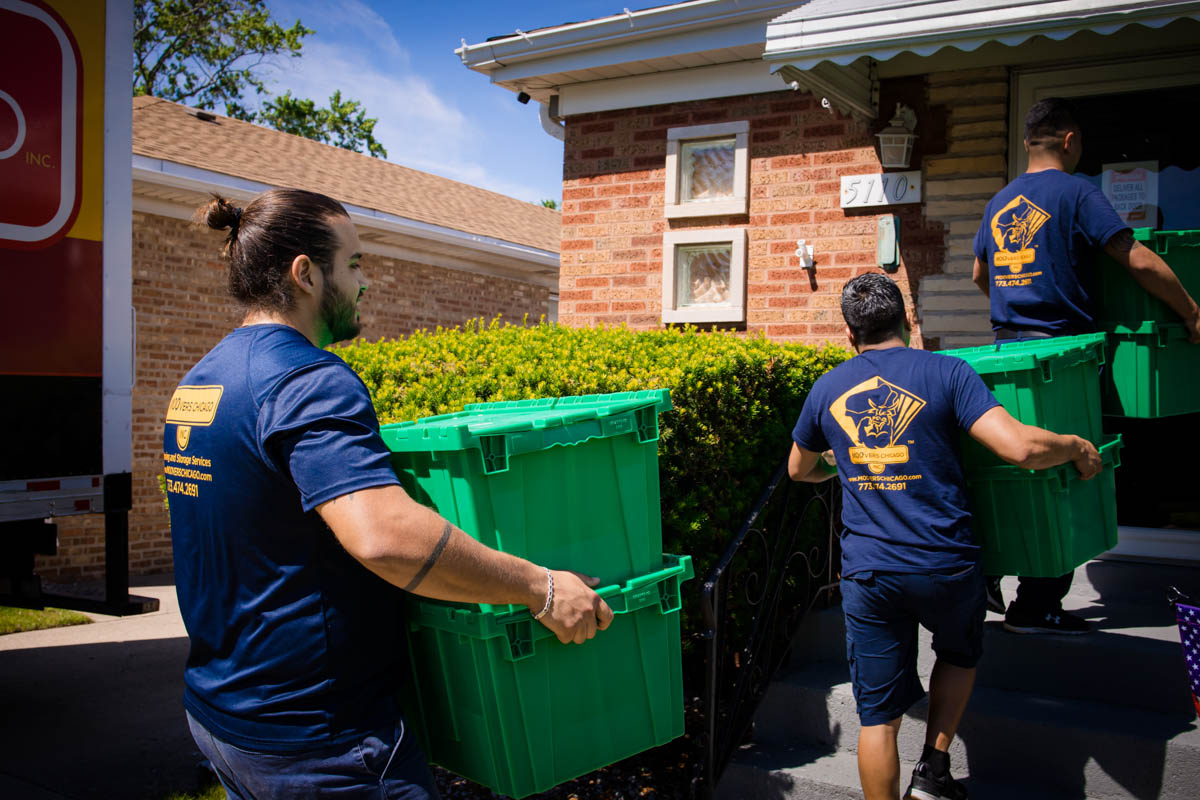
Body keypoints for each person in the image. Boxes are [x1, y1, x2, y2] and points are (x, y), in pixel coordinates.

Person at [164, 188, 614, 800]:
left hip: (224, 716)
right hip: (321, 742)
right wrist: (541, 586)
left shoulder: (200, 383)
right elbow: (384, 537)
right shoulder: (309, 381)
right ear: (304, 273)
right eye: (352, 264)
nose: (365, 282)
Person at [789, 274, 1100, 800]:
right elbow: (1020, 449)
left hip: (869, 572)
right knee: (956, 654)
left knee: (877, 718)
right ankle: (933, 767)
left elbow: (800, 469)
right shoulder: (946, 372)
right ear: (909, 323)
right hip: (945, 563)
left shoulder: (828, 387)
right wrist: (1075, 445)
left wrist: (845, 468)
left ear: (850, 334)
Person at [971, 97, 1200, 634]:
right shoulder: (1078, 193)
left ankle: (990, 567)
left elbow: (982, 275)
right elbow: (1137, 258)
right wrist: (1190, 312)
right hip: (1063, 357)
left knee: (1011, 468)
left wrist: (1017, 302)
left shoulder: (999, 203)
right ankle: (1037, 605)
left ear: (1030, 141)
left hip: (1008, 355)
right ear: (1070, 141)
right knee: (1073, 469)